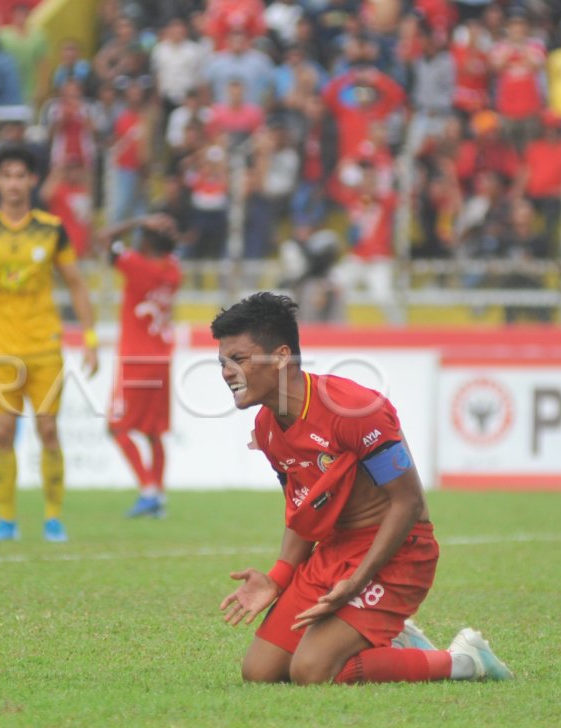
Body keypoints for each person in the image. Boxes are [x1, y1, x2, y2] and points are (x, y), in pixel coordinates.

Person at [213, 292, 513, 684]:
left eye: (239, 359)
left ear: (282, 356)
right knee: (260, 672)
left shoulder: (354, 409)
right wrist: (278, 577)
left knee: (312, 672)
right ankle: (385, 636)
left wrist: (357, 583)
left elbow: (409, 504)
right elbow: (304, 511)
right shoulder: (268, 430)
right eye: (222, 363)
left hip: (398, 554)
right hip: (335, 555)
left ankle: (464, 661)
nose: (227, 372)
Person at [0, 144, 99, 543]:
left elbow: (76, 285)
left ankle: (53, 518)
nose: (14, 183)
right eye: (7, 176)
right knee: (2, 433)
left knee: (48, 430)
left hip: (44, 346)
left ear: (32, 181)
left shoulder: (51, 229)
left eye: (21, 176)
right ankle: (6, 520)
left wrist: (89, 338)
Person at [101, 214, 181, 519]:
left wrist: (135, 221)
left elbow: (104, 239)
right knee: (154, 432)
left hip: (136, 361)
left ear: (146, 242)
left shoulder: (136, 266)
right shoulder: (173, 270)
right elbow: (168, 249)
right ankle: (158, 496)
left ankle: (148, 491)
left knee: (117, 427)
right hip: (161, 359)